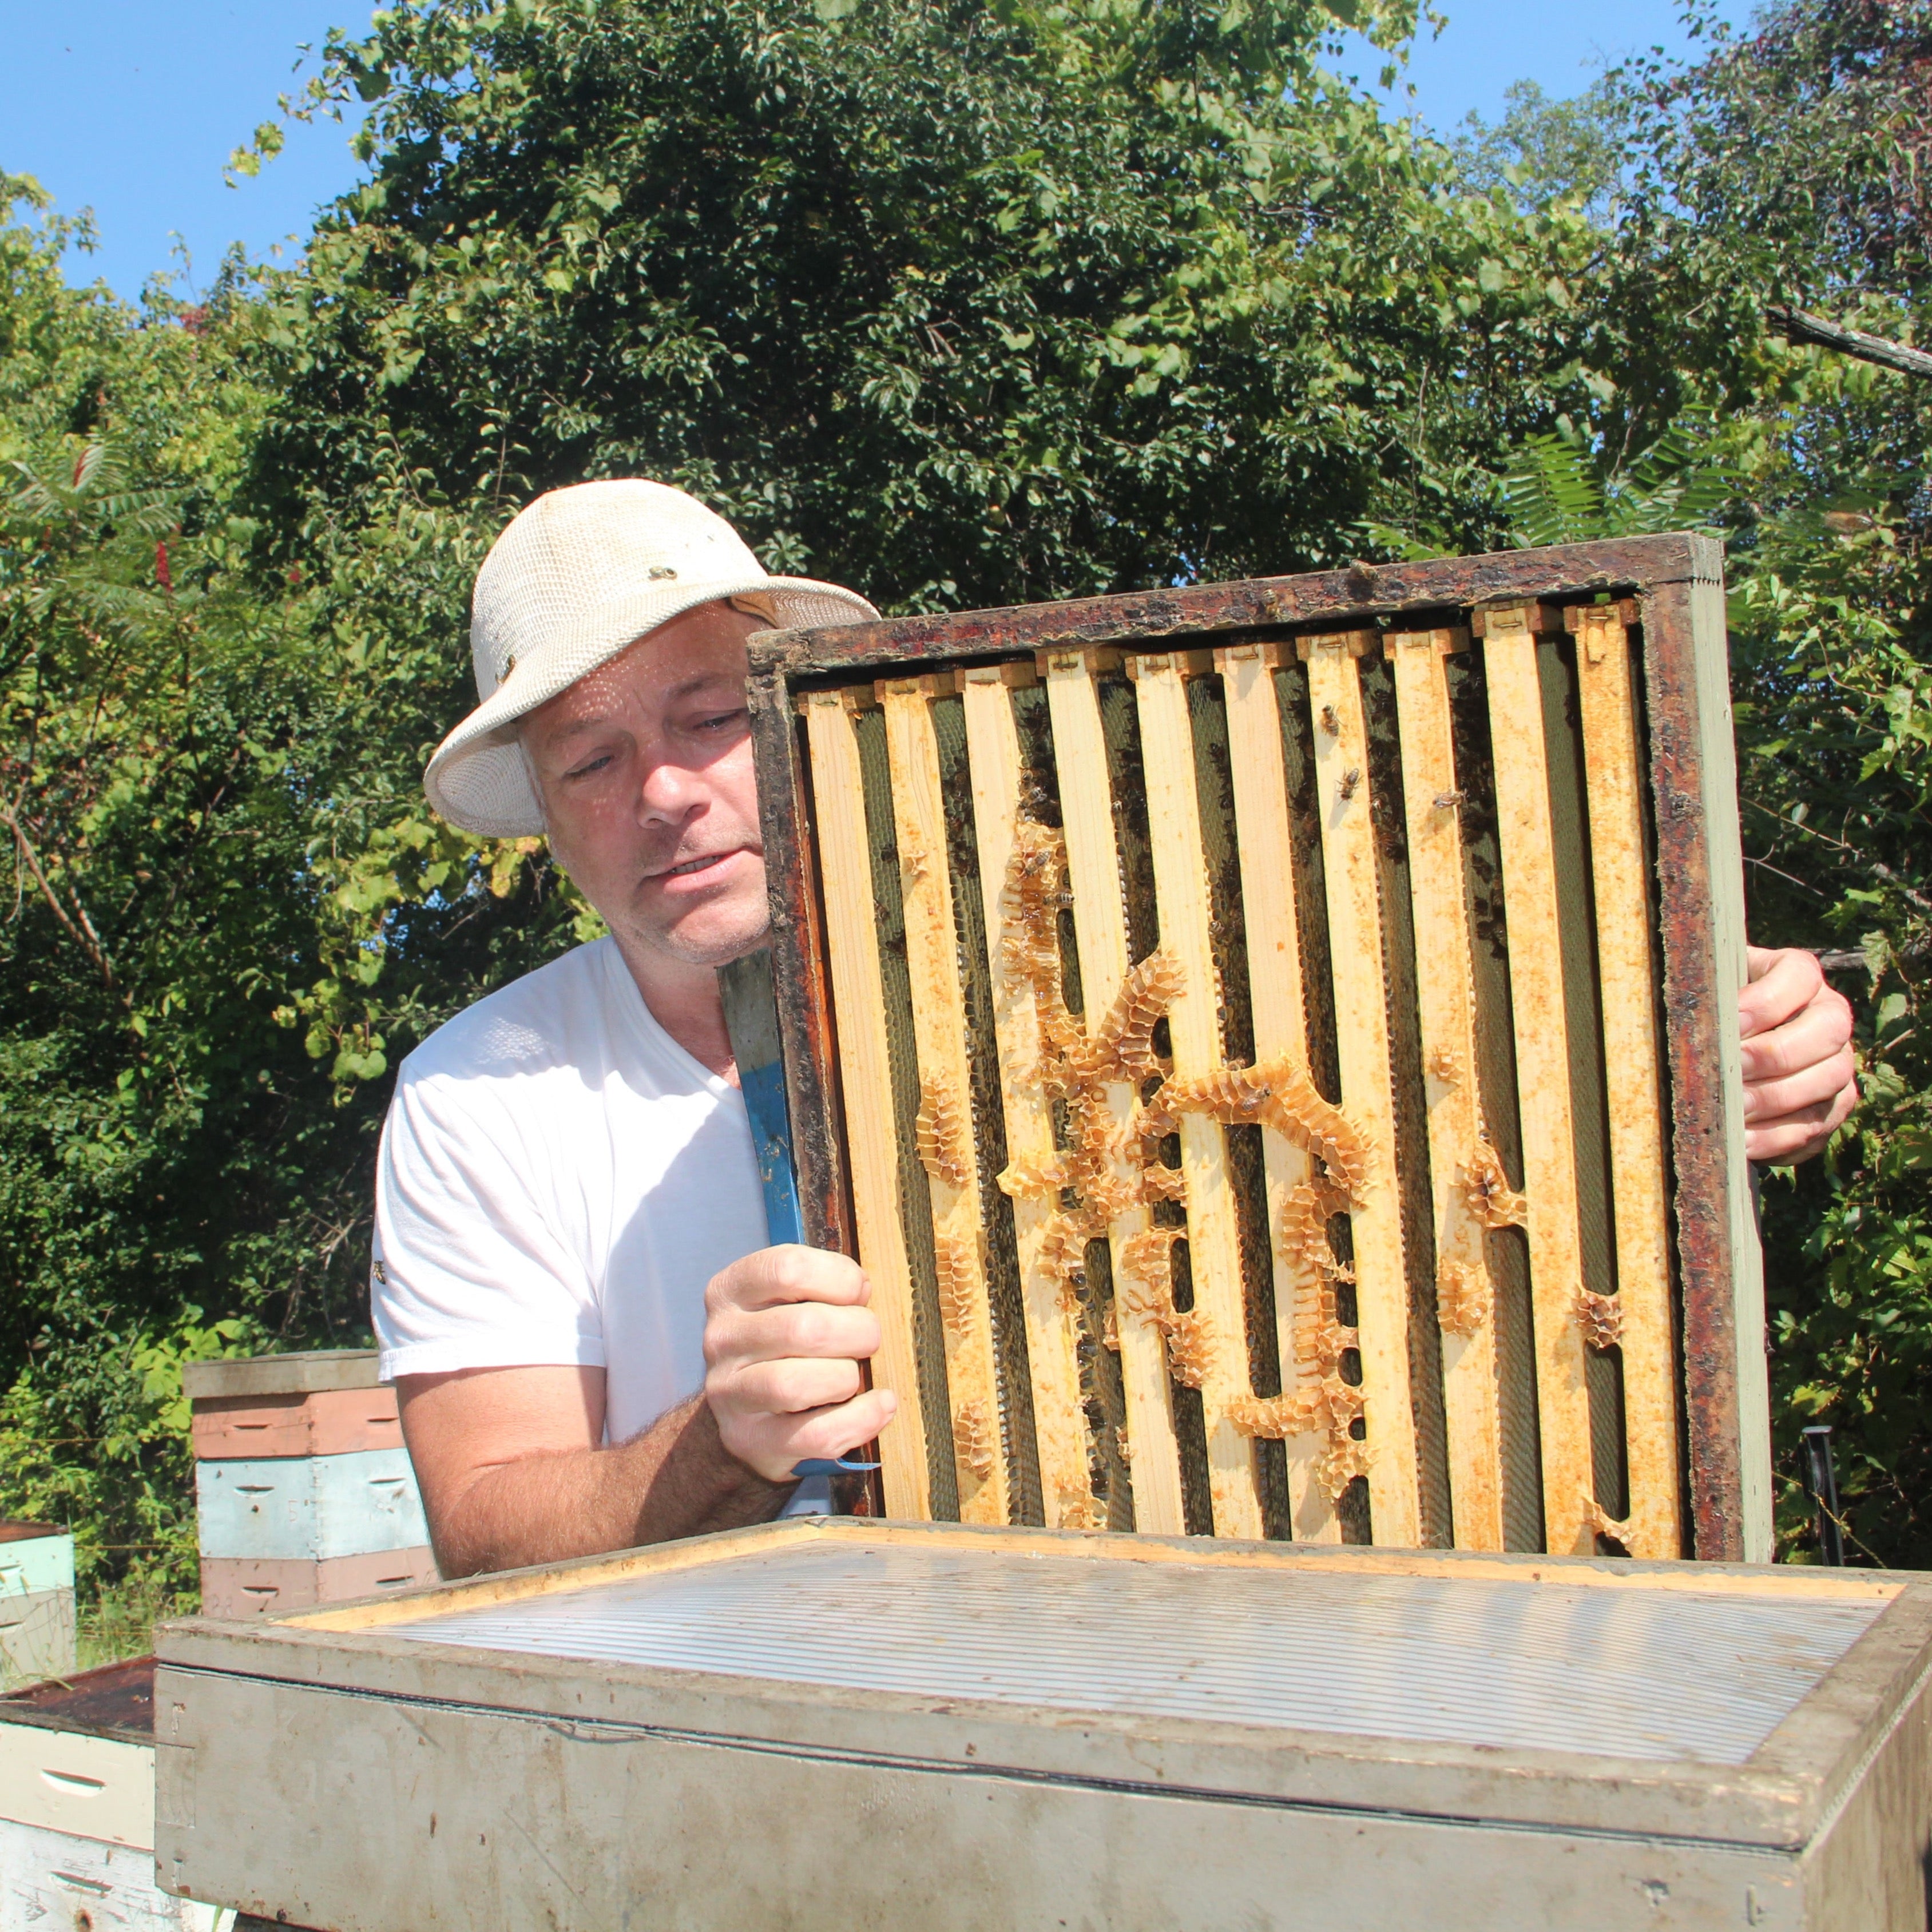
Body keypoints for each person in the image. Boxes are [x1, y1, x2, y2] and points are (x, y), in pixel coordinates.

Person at [372, 479, 1859, 1578]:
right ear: (545, 816)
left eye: (703, 716)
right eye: (592, 755)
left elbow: (1417, 1110)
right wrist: (720, 1440)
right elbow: (479, 1517)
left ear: (782, 712)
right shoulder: (480, 1095)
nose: (666, 792)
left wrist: (1697, 1061)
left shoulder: (1060, 968)